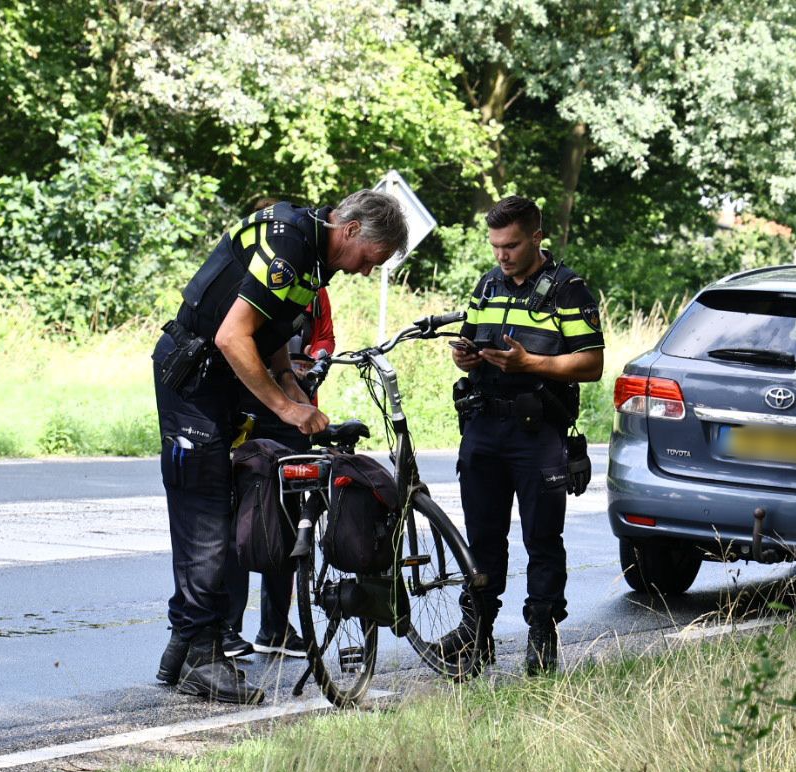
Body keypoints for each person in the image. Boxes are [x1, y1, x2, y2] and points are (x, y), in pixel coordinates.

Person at [153, 192, 407, 703]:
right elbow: (232, 336)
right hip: (197, 377)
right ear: (353, 230)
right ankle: (203, 656)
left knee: (224, 506)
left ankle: (184, 645)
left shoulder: (314, 252)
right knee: (205, 514)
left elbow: (269, 331)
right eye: (370, 260)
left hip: (225, 380)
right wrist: (289, 411)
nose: (364, 272)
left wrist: (292, 390)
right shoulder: (291, 241)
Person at [436, 195, 604, 675]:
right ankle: (477, 634)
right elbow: (471, 336)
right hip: (484, 425)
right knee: (481, 539)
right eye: (495, 246)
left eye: (510, 245)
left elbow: (592, 364)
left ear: (536, 236)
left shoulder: (568, 289)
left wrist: (533, 363)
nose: (502, 255)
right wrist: (465, 356)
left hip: (537, 431)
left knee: (541, 539)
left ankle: (541, 636)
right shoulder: (488, 284)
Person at [222, 287, 333, 661]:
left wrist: (313, 363)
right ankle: (226, 627)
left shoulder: (314, 285)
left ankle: (276, 627)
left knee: (289, 515)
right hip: (246, 402)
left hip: (295, 405)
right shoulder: (261, 274)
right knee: (238, 514)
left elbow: (324, 335)